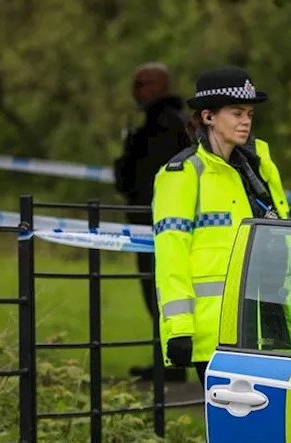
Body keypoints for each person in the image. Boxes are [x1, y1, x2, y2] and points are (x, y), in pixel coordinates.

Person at [151, 65, 291, 443]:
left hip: (270, 320)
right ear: (207, 117)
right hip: (215, 329)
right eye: (237, 113)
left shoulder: (260, 163)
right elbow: (170, 256)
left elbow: (283, 240)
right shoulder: (182, 176)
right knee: (225, 438)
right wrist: (174, 329)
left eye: (249, 113)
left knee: (268, 438)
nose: (246, 121)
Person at [112, 62, 191, 382]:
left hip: (159, 224)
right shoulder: (172, 126)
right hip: (157, 223)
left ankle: (170, 364)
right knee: (160, 294)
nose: (135, 91)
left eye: (141, 83)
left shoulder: (159, 130)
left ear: (159, 86)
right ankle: (168, 361)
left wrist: (124, 158)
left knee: (160, 293)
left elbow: (133, 179)